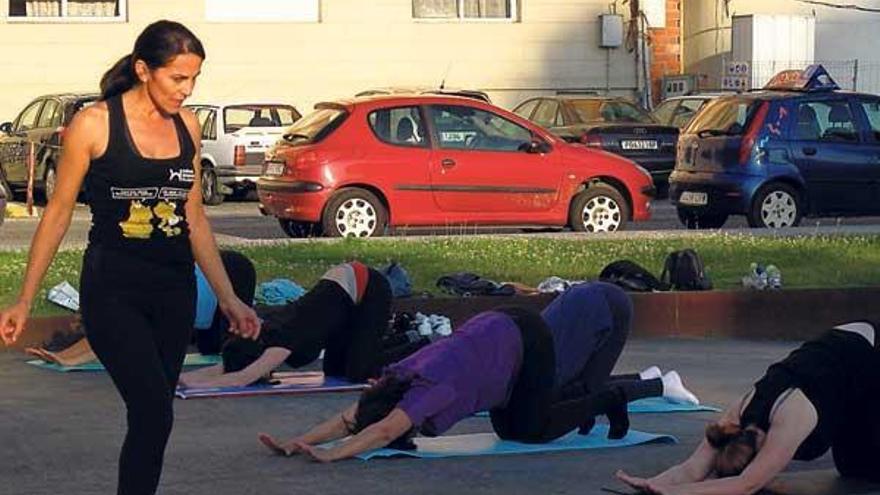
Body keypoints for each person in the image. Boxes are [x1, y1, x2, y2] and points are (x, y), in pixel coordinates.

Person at [0, 20, 260, 495]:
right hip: (113, 290)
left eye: (195, 78)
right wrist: (23, 298)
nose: (188, 90)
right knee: (152, 409)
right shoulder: (95, 124)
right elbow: (57, 215)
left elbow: (196, 220)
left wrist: (228, 299)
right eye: (178, 78)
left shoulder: (187, 126)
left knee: (156, 418)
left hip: (172, 291)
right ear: (144, 69)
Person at [258, 282, 698, 462]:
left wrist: (331, 455)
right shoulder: (399, 377)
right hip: (500, 326)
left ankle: (616, 397)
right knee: (511, 423)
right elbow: (354, 416)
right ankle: (637, 385)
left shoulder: (426, 390)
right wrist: (297, 443)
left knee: (531, 428)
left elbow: (380, 430)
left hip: (525, 340)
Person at [617, 321, 880, 495]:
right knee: (854, 469)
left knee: (870, 469)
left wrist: (677, 493)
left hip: (869, 349)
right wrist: (653, 484)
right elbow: (692, 469)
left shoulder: (791, 418)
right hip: (842, 366)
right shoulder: (735, 419)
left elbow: (747, 485)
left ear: (762, 449)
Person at [179, 260, 429, 388]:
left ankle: (414, 342)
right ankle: (394, 340)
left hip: (369, 287)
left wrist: (186, 388)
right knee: (335, 372)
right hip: (344, 291)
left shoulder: (279, 342)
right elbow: (230, 368)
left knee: (359, 372)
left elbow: (240, 378)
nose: (269, 372)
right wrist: (177, 381)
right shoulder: (259, 335)